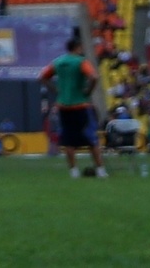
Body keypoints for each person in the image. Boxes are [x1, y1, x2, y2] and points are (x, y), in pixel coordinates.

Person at [40, 32, 106, 178]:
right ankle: (100, 170)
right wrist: (88, 90)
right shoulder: (81, 61)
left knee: (68, 140)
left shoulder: (58, 62)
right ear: (78, 47)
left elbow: (42, 77)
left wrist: (56, 90)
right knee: (91, 138)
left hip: (63, 106)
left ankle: (74, 171)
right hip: (80, 105)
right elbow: (94, 76)